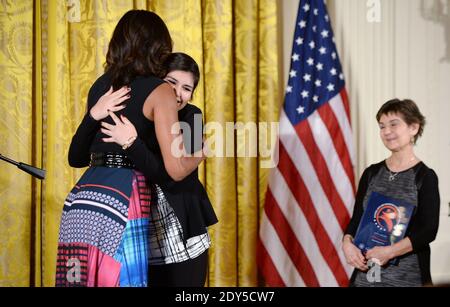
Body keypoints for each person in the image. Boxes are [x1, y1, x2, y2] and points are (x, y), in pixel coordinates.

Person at [56, 10, 205, 287]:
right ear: (159, 47)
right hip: (124, 201)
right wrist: (202, 151)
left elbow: (75, 158)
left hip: (83, 200)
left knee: (78, 282)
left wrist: (93, 115)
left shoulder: (101, 86)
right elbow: (174, 170)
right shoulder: (160, 91)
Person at [98, 52, 217, 286]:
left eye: (187, 88)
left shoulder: (192, 116)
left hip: (183, 236)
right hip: (141, 234)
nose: (178, 93)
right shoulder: (142, 111)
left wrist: (133, 144)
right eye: (171, 82)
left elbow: (178, 177)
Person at [342, 98, 440, 287]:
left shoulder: (425, 176)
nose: (386, 132)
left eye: (393, 124)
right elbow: (357, 219)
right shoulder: (371, 173)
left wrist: (389, 252)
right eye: (381, 126)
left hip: (407, 277)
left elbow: (428, 231)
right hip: (365, 277)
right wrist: (347, 243)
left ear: (413, 128)